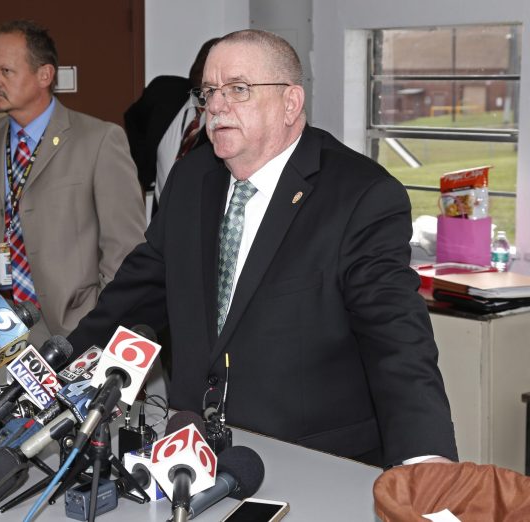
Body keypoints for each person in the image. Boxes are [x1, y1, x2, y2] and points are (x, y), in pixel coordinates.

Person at [67, 30, 458, 468]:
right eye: (209, 91)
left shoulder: (360, 196)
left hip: (314, 461)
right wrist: (60, 372)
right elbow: (135, 294)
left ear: (291, 103)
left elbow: (396, 341)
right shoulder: (191, 178)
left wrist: (426, 462)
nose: (216, 105)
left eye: (238, 89)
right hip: (191, 453)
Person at [0, 20, 145, 348]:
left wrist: (104, 325)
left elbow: (124, 248)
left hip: (75, 327)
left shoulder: (99, 140)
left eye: (6, 71)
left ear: (44, 75)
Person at [124, 38, 218, 206]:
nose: (200, 67)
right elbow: (133, 119)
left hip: (200, 214)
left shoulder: (226, 118)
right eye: (201, 58)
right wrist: (146, 173)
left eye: (210, 62)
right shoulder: (164, 92)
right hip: (160, 212)